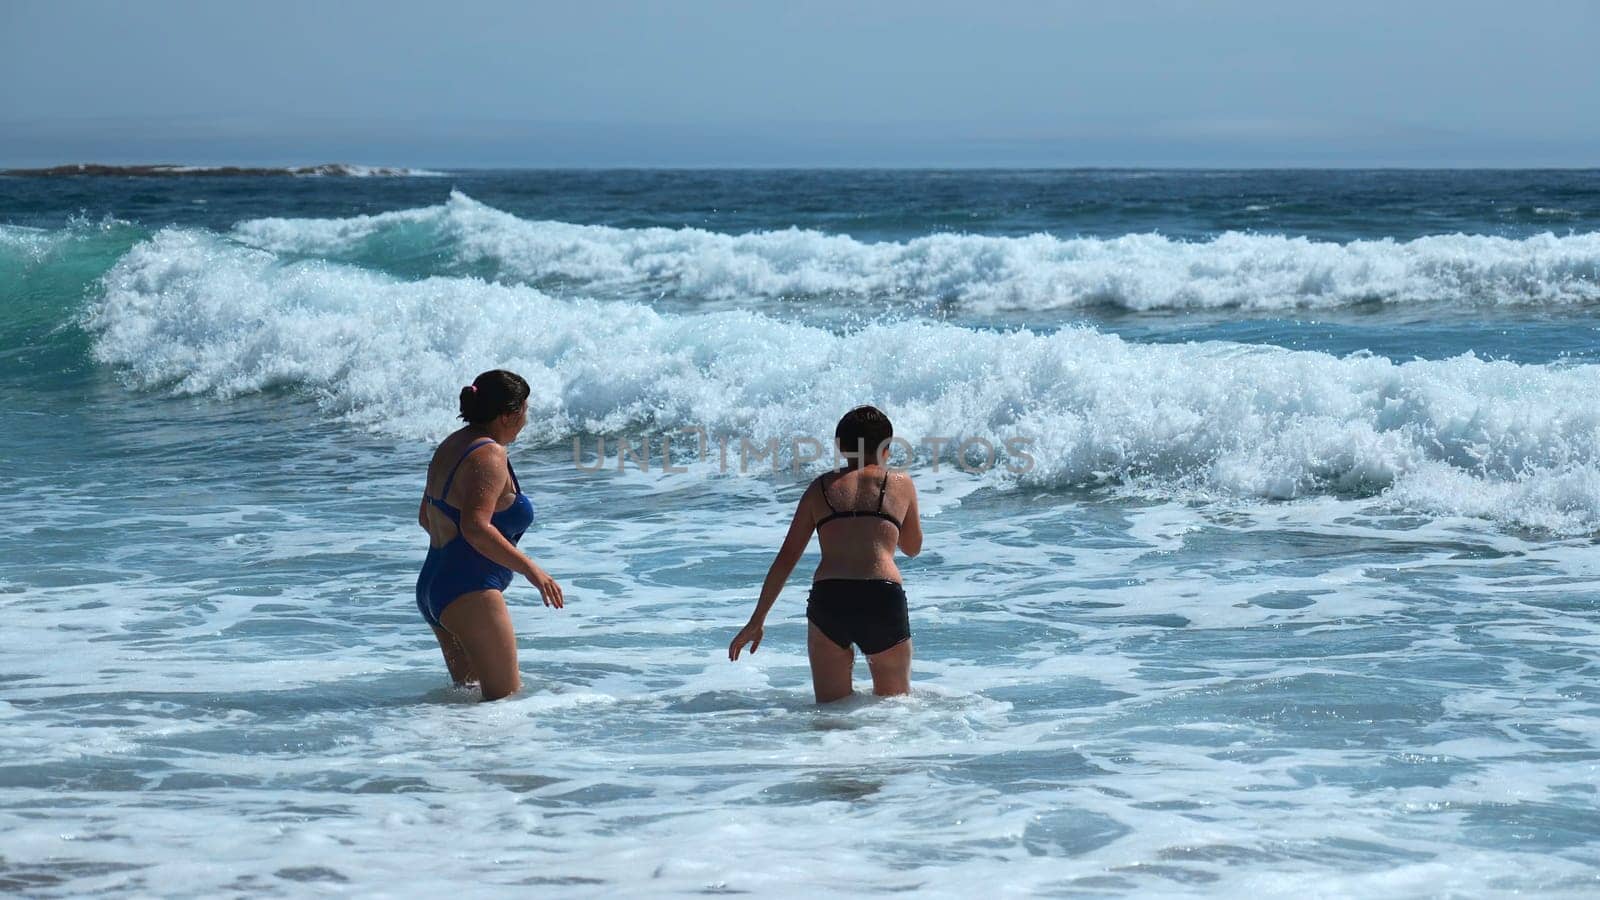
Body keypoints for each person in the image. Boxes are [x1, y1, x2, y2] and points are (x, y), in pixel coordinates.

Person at [728, 406, 924, 702]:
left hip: (830, 600)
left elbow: (786, 558)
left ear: (840, 446)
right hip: (882, 598)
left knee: (831, 716)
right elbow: (912, 548)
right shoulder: (900, 484)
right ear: (887, 447)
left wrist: (757, 620)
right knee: (894, 709)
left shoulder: (819, 488)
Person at [416, 369, 564, 700]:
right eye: (525, 410)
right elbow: (474, 526)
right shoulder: (491, 455)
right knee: (504, 705)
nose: (526, 419)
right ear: (510, 414)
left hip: (434, 585)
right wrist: (532, 571)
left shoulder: (452, 445)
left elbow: (426, 517)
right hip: (470, 591)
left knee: (468, 706)